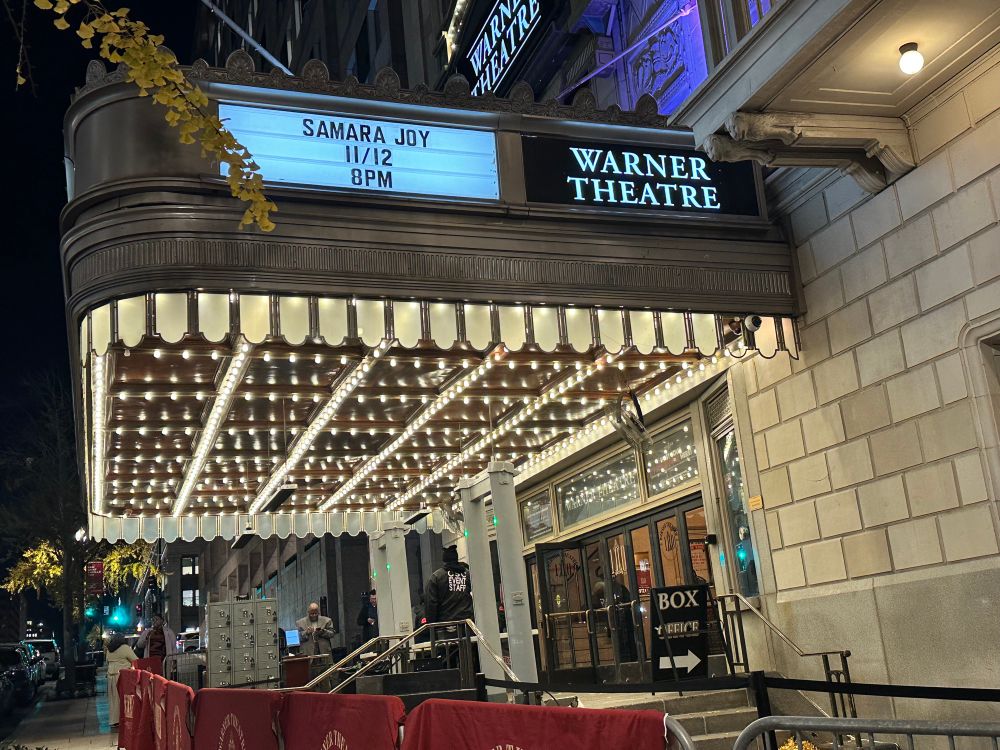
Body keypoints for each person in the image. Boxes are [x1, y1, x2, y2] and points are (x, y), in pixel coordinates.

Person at [424, 546, 474, 624]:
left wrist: (431, 625)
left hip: (445, 624)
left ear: (444, 560)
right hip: (467, 623)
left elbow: (431, 603)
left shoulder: (437, 577)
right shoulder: (468, 574)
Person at [105, 632, 137, 728]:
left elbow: (107, 661)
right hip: (122, 675)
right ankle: (122, 719)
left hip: (111, 675)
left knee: (113, 699)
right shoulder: (125, 648)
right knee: (122, 698)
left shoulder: (109, 649)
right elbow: (135, 659)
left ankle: (114, 720)